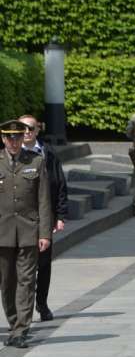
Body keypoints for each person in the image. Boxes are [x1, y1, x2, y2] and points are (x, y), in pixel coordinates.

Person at [0, 120, 51, 348]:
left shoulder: (36, 162)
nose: (14, 142)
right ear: (3, 139)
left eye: (18, 137)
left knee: (27, 281)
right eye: (9, 138)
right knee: (7, 282)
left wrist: (45, 233)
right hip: (3, 232)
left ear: (23, 138)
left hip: (29, 230)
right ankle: (13, 322)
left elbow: (43, 200)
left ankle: (22, 328)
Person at [19, 115, 67, 322]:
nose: (27, 131)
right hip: (18, 217)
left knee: (44, 263)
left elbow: (60, 183)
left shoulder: (48, 154)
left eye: (31, 128)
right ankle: (23, 308)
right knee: (19, 266)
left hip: (43, 216)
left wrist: (60, 214)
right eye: (23, 128)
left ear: (38, 130)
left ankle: (42, 303)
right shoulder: (9, 154)